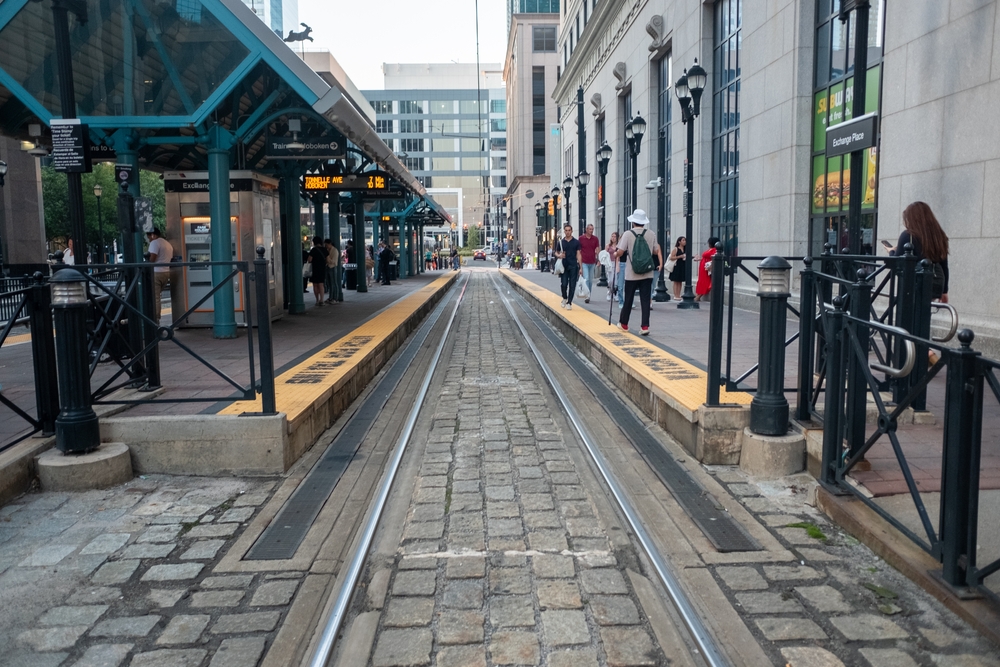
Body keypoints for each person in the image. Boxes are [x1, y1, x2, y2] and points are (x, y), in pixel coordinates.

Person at [888, 201, 950, 303]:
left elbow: (896, 263)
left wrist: (891, 252)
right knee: (924, 312)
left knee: (911, 313)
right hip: (935, 284)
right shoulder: (939, 236)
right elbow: (944, 265)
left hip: (914, 284)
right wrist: (944, 291)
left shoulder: (908, 235)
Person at [615, 210, 662, 335]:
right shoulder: (651, 234)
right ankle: (645, 326)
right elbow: (655, 250)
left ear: (633, 222)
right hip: (647, 272)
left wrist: (615, 253)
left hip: (631, 273)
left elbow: (620, 252)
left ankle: (624, 324)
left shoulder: (627, 234)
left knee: (629, 299)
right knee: (645, 299)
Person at [146, 228, 174, 324]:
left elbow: (152, 258)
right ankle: (156, 318)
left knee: (155, 297)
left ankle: (155, 319)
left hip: (156, 272)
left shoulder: (155, 243)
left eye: (149, 236)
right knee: (158, 296)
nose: (149, 239)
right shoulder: (167, 244)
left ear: (153, 235)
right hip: (166, 272)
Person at [555, 223, 582, 310]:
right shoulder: (561, 242)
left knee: (572, 285)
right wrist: (559, 256)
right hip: (564, 266)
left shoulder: (576, 242)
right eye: (566, 230)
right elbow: (556, 252)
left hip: (573, 265)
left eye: (569, 230)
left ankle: (569, 302)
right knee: (564, 284)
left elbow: (578, 254)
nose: (567, 232)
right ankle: (564, 297)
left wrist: (581, 267)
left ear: (572, 231)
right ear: (564, 231)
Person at [579, 224, 600, 303]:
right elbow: (579, 250)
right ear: (586, 229)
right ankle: (587, 295)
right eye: (590, 229)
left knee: (590, 280)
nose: (591, 231)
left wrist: (599, 259)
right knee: (586, 278)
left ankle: (589, 294)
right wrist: (579, 262)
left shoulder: (595, 239)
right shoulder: (581, 239)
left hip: (592, 262)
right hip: (584, 261)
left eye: (592, 229)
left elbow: (597, 249)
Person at [695, 236, 720, 302]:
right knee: (701, 280)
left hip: (707, 267)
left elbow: (714, 259)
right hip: (703, 267)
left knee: (706, 281)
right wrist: (699, 259)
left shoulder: (715, 250)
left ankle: (699, 296)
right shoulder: (711, 249)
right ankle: (698, 294)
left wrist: (711, 266)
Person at [308, 236, 328, 306]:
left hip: (314, 269)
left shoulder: (313, 250)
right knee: (321, 284)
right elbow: (327, 260)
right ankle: (321, 300)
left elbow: (309, 260)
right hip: (322, 269)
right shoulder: (324, 250)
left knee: (315, 285)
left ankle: (317, 300)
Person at [324, 238, 341, 303]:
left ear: (330, 244)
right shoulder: (327, 250)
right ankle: (331, 297)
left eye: (326, 244)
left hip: (332, 267)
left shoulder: (335, 251)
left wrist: (328, 258)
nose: (326, 246)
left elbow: (334, 261)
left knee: (334, 283)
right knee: (329, 283)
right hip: (327, 267)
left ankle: (335, 298)